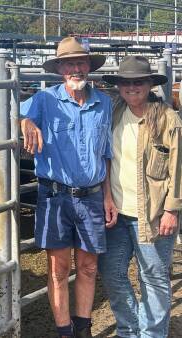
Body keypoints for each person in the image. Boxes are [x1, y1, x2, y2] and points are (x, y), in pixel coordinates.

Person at [20, 37, 116, 338]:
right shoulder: (44, 99)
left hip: (92, 196)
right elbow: (16, 115)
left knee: (88, 267)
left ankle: (83, 329)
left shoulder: (105, 103)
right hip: (55, 195)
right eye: (69, 63)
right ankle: (64, 331)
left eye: (81, 62)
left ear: (89, 66)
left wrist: (108, 196)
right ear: (60, 69)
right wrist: (25, 123)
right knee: (58, 269)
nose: (76, 68)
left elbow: (107, 153)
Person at [98, 55, 182, 338]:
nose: (132, 87)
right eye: (126, 82)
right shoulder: (114, 113)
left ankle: (151, 334)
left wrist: (172, 210)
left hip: (155, 215)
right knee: (111, 274)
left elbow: (179, 169)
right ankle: (129, 329)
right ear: (119, 86)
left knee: (154, 279)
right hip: (118, 214)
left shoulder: (167, 118)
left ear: (149, 84)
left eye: (138, 82)